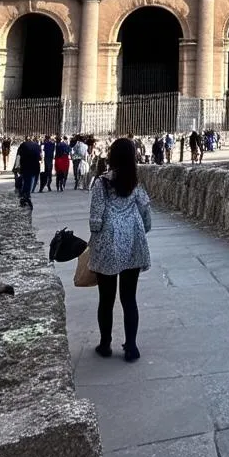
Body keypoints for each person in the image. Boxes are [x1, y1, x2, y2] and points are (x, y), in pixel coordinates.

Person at [88, 138, 151, 363]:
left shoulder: (102, 183)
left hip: (108, 245)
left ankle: (105, 344)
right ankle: (131, 347)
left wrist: (95, 234)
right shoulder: (135, 182)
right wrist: (142, 229)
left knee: (106, 299)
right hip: (133, 245)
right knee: (129, 298)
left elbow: (95, 219)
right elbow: (146, 212)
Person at [16, 135, 42, 209]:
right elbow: (40, 158)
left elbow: (18, 156)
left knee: (26, 181)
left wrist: (17, 167)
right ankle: (27, 195)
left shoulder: (22, 145)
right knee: (32, 181)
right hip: (35, 167)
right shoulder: (37, 146)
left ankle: (25, 196)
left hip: (25, 167)